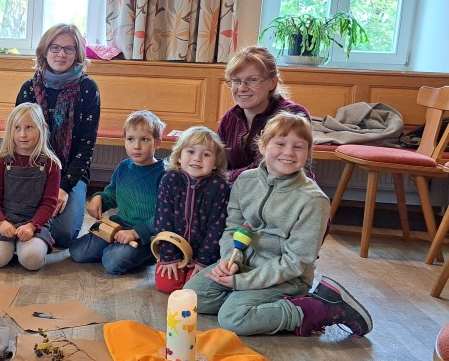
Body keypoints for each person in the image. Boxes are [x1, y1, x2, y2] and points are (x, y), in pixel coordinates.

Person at [184, 112, 372, 337]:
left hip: (286, 279)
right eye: (280, 143)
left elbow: (296, 262)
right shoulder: (245, 181)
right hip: (243, 266)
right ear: (262, 146)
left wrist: (242, 282)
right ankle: (252, 303)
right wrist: (228, 261)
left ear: (308, 153)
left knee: (233, 318)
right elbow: (232, 228)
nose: (288, 153)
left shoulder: (313, 200)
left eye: (298, 147)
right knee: (191, 298)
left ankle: (318, 309)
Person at [16, 23, 100, 249]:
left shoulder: (88, 89)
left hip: (70, 172)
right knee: (18, 219)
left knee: (62, 236)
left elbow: (86, 148)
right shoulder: (29, 88)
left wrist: (62, 188)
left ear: (77, 54)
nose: (61, 54)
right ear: (44, 50)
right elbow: (18, 140)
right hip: (34, 169)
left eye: (68, 49)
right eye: (55, 47)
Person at [68, 110, 165, 275]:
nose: (137, 146)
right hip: (118, 227)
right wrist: (98, 198)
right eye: (131, 139)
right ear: (124, 142)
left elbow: (164, 217)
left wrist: (135, 233)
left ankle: (147, 255)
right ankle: (116, 248)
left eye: (145, 140)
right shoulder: (123, 167)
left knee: (113, 261)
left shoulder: (165, 175)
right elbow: (112, 195)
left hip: (147, 237)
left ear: (157, 142)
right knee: (77, 252)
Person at [153, 126, 230, 293]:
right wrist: (169, 257)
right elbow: (162, 221)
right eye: (191, 152)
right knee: (166, 285)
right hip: (175, 251)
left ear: (216, 163)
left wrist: (204, 261)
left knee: (194, 289)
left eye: (206, 154)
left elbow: (217, 228)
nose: (197, 159)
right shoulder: (170, 179)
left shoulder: (219, 187)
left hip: (205, 254)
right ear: (179, 156)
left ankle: (197, 270)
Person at [218, 46, 312, 184]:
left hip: (282, 192)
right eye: (236, 81)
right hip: (237, 190)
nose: (242, 88)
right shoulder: (230, 117)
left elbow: (268, 170)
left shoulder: (292, 115)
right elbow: (216, 160)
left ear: (272, 83)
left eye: (252, 80)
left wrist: (225, 177)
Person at [0, 103, 61, 270]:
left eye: (29, 127)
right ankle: (11, 247)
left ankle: (28, 247)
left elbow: (49, 204)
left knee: (32, 261)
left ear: (42, 128)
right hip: (5, 221)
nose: (22, 134)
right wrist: (1, 223)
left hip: (34, 223)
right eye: (17, 128)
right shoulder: (2, 163)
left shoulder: (51, 165)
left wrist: (32, 226)